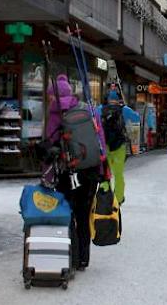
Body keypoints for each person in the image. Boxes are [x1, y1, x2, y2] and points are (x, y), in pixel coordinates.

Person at [46, 74, 104, 271]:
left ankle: (69, 255)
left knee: (67, 213)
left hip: (68, 172)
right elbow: (100, 142)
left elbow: (50, 144)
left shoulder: (55, 112)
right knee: (83, 214)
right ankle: (83, 259)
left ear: (53, 95)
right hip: (90, 170)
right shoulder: (89, 110)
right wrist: (103, 170)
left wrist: (47, 175)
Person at [99, 90, 131, 205]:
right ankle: (119, 198)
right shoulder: (124, 109)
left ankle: (105, 197)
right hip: (119, 146)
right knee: (118, 174)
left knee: (105, 173)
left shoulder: (100, 109)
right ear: (118, 99)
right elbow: (136, 117)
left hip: (104, 146)